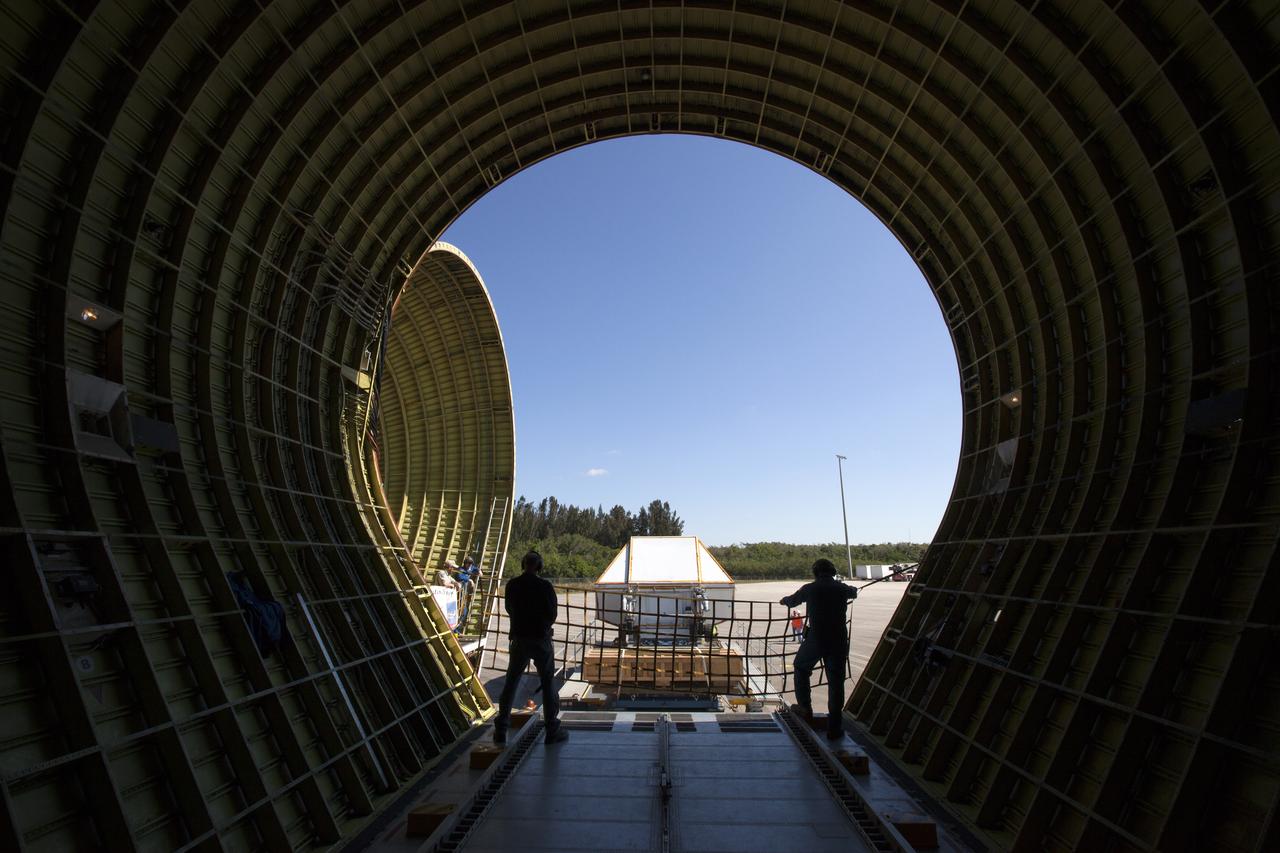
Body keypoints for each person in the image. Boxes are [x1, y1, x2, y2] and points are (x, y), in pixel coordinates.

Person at [493, 551, 568, 746]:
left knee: (511, 681)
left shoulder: (512, 585)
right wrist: (542, 627)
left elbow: (509, 608)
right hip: (540, 638)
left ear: (523, 564)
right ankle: (552, 728)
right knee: (548, 683)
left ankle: (501, 728)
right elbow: (552, 613)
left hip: (519, 638)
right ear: (539, 566)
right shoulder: (545, 586)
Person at [780, 558, 857, 740]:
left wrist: (784, 601)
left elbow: (792, 601)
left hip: (816, 638)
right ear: (833, 572)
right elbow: (853, 592)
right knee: (836, 683)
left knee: (800, 667)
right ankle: (835, 727)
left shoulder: (810, 588)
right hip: (838, 640)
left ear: (816, 573)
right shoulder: (841, 588)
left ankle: (805, 709)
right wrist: (851, 589)